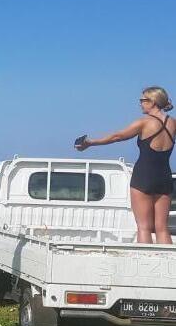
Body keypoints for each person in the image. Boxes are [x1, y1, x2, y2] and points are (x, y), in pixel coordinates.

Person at [75, 86, 175, 244]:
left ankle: (145, 265)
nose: (140, 104)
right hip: (165, 177)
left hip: (144, 177)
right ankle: (169, 266)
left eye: (143, 100)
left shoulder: (144, 122)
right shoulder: (172, 123)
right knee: (162, 228)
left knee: (144, 227)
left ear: (153, 102)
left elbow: (117, 136)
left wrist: (90, 143)